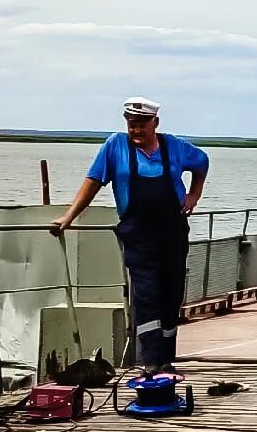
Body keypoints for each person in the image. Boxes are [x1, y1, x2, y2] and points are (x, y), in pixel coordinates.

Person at [49, 97, 209, 372]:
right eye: (131, 124)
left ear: (155, 123)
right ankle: (149, 362)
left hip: (172, 234)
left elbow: (202, 162)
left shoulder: (176, 147)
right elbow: (93, 182)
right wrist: (69, 216)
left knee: (171, 295)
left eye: (142, 124)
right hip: (138, 235)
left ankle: (166, 360)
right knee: (146, 295)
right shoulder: (115, 147)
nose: (135, 130)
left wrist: (194, 195)